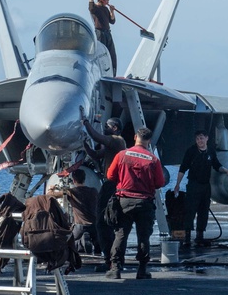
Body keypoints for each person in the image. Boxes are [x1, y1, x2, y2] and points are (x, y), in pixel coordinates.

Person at [106, 127, 164, 279]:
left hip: (124, 200)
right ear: (149, 141)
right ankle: (142, 269)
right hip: (144, 202)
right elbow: (159, 182)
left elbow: (110, 175)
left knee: (121, 235)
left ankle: (115, 268)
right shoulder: (153, 160)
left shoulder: (122, 155)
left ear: (135, 137)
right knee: (143, 236)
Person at [174, 130, 228, 248]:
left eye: (201, 138)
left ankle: (200, 236)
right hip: (193, 185)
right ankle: (187, 237)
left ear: (206, 138)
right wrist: (177, 184)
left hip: (205, 186)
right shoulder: (191, 151)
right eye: (197, 139)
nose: (200, 141)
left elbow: (217, 165)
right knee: (190, 211)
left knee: (203, 211)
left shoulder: (211, 151)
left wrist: (226, 170)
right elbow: (183, 168)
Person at [82, 112, 127, 272]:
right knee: (111, 222)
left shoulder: (116, 141)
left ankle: (110, 259)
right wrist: (85, 144)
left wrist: (85, 122)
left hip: (111, 185)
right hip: (115, 185)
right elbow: (95, 154)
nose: (104, 129)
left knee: (101, 222)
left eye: (107, 126)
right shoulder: (114, 145)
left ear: (114, 128)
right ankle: (115, 259)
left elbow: (97, 138)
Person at [50, 168, 100, 254]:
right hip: (93, 225)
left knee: (67, 244)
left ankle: (78, 246)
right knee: (98, 245)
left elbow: (50, 195)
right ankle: (97, 253)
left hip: (80, 226)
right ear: (84, 179)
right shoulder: (94, 191)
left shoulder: (71, 192)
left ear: (73, 180)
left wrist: (52, 188)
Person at [86, 0, 117, 75]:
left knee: (112, 55)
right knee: (100, 54)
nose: (107, 1)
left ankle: (113, 74)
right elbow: (91, 8)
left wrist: (112, 11)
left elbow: (112, 21)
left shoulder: (105, 9)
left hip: (107, 33)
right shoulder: (96, 8)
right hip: (100, 34)